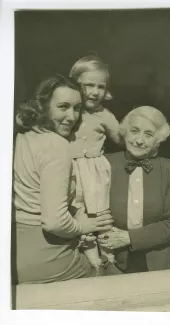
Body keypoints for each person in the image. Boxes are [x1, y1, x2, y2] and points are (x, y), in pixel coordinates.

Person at [12, 74, 113, 284]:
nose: (72, 116)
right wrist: (83, 227)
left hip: (15, 254)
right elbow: (55, 222)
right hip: (49, 257)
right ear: (43, 106)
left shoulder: (22, 138)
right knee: (109, 277)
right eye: (63, 107)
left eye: (77, 108)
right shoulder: (56, 145)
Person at [98, 106, 170, 274]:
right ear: (125, 132)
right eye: (135, 131)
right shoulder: (105, 164)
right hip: (113, 259)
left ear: (158, 140)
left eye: (148, 134)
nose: (139, 140)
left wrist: (129, 237)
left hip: (160, 262)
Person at [69, 55, 122, 273]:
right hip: (70, 168)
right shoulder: (71, 109)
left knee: (99, 209)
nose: (95, 91)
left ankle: (108, 252)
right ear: (76, 85)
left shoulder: (105, 115)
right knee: (77, 208)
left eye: (100, 86)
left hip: (93, 169)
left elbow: (121, 139)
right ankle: (90, 253)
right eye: (89, 85)